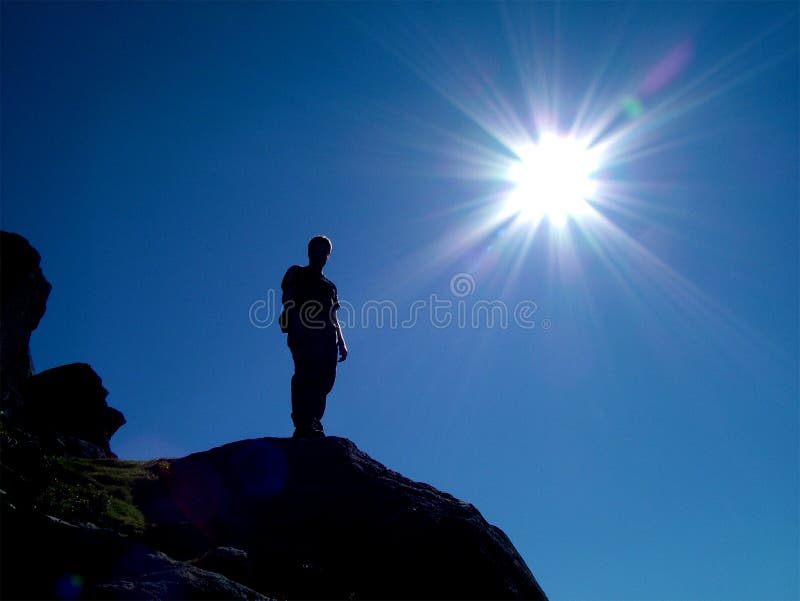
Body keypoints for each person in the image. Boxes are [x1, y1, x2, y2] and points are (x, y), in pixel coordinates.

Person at [280, 235, 348, 438]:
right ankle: (303, 422)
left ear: (328, 256)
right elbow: (287, 298)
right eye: (315, 251)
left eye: (323, 252)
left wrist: (342, 342)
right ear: (309, 252)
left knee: (325, 379)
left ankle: (314, 420)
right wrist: (295, 325)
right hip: (304, 330)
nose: (319, 255)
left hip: (327, 336)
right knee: (305, 374)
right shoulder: (297, 272)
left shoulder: (330, 286)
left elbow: (333, 316)